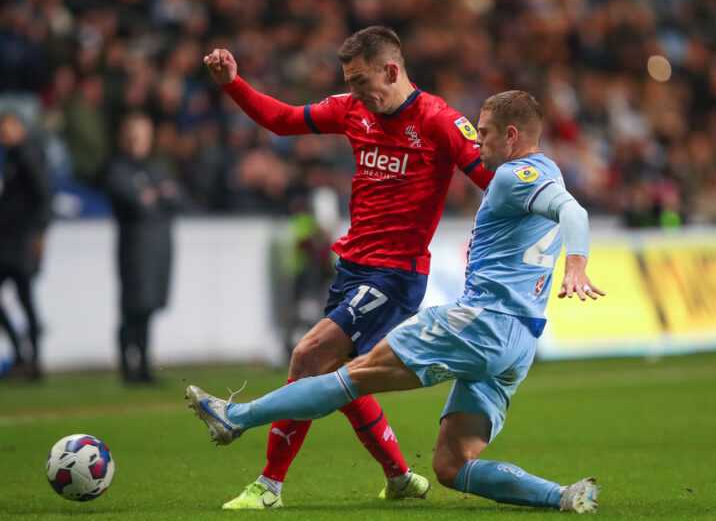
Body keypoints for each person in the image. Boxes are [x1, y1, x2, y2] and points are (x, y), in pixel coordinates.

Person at [186, 90, 605, 513]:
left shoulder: (513, 177)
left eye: (485, 132)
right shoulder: (550, 169)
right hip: (520, 342)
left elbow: (576, 214)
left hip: (480, 322)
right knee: (451, 465)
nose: (477, 142)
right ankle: (563, 496)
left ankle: (236, 418)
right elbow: (566, 208)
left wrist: (575, 265)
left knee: (348, 375)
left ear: (512, 135)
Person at [202, 26, 494, 509]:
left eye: (360, 81)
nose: (353, 91)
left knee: (308, 356)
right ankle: (400, 477)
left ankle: (267, 483)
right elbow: (282, 120)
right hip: (354, 267)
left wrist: (540, 199)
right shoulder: (351, 109)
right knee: (341, 375)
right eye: (349, 81)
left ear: (392, 71)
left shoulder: (439, 120)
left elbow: (490, 179)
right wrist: (234, 82)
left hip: (396, 274)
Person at [106, 112, 181, 383]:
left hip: (158, 248)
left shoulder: (156, 168)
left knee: (148, 308)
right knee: (132, 307)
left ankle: (144, 365)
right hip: (135, 248)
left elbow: (176, 198)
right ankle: (128, 365)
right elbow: (137, 202)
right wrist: (156, 195)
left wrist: (156, 195)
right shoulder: (119, 169)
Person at [0, 111, 52, 380]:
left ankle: (31, 359)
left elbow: (44, 195)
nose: (4, 133)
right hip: (10, 241)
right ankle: (26, 356)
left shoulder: (28, 154)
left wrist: (39, 234)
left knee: (26, 297)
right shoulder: (13, 156)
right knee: (25, 297)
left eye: (7, 127)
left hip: (22, 241)